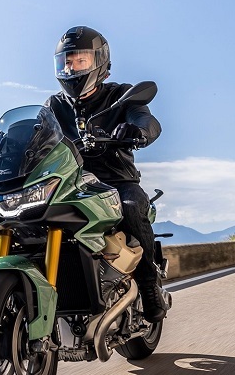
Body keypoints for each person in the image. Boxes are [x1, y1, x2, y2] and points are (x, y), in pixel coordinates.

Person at [44, 25, 168, 324]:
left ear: (99, 62)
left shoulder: (121, 96)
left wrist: (137, 131)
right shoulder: (54, 105)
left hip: (117, 181)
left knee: (131, 206)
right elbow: (36, 134)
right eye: (67, 62)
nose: (72, 68)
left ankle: (149, 284)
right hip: (69, 183)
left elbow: (148, 122)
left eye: (80, 60)